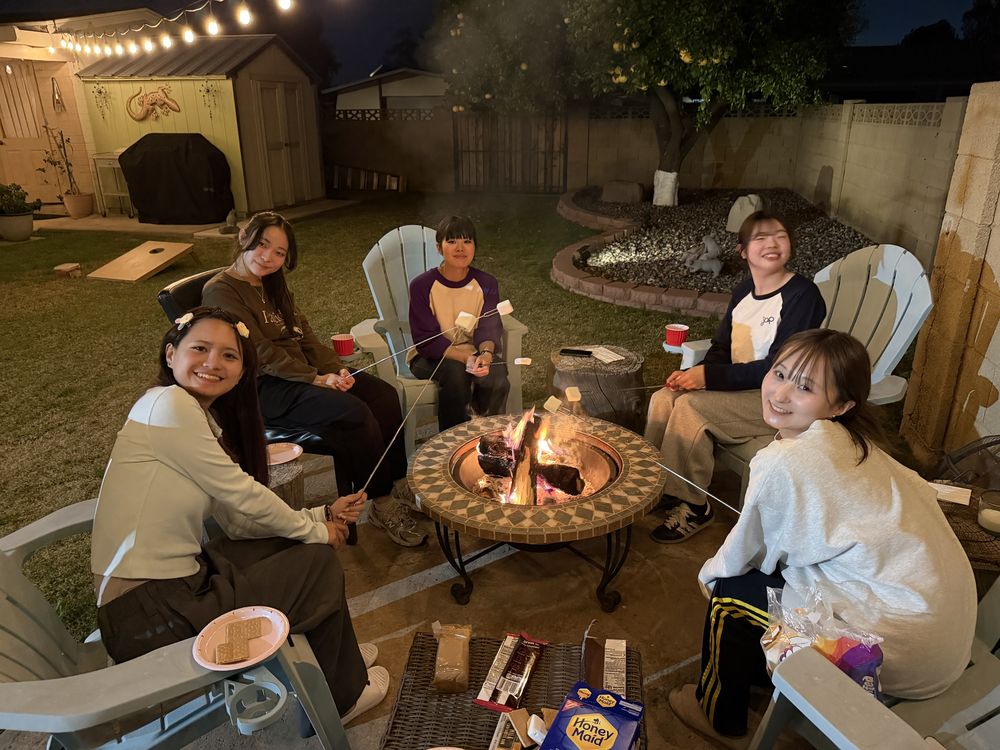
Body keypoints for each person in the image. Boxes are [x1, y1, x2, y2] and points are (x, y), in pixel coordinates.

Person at [668, 329, 977, 749]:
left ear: (842, 404)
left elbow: (748, 554)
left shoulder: (784, 461)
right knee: (768, 588)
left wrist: (709, 578)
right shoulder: (855, 440)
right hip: (940, 628)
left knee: (729, 596)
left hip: (900, 648)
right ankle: (760, 669)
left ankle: (718, 716)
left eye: (805, 387)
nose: (781, 393)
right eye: (779, 373)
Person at [91, 307, 390, 731]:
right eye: (200, 349)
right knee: (316, 562)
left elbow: (237, 521)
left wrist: (320, 514)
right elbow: (242, 494)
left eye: (229, 356)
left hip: (168, 594)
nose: (214, 362)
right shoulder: (168, 404)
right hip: (149, 618)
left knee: (298, 547)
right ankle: (343, 698)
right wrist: (316, 531)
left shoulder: (191, 416)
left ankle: (338, 662)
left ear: (242, 370)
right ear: (171, 354)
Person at [202, 211, 424, 547]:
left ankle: (395, 479)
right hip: (262, 388)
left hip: (300, 374)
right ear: (244, 236)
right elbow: (258, 352)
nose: (269, 257)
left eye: (279, 252)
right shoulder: (221, 291)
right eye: (263, 245)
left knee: (383, 397)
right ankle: (382, 503)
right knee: (354, 412)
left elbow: (303, 336)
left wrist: (336, 370)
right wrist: (315, 379)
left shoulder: (271, 284)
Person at [644, 210, 827, 543]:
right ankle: (661, 485)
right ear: (743, 251)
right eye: (760, 237)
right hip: (741, 390)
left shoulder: (803, 296)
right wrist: (692, 375)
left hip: (781, 399)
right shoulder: (744, 292)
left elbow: (781, 367)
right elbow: (721, 347)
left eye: (780, 235)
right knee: (663, 398)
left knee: (691, 410)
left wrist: (709, 378)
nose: (772, 243)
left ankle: (696, 505)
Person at [408, 215, 510, 430]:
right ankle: (452, 442)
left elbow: (488, 328)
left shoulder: (486, 283)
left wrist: (486, 355)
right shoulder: (422, 286)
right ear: (439, 247)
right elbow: (427, 341)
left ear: (475, 246)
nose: (460, 248)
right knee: (456, 374)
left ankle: (488, 435)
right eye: (452, 241)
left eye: (467, 241)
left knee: (497, 372)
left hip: (473, 353)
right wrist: (467, 358)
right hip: (430, 356)